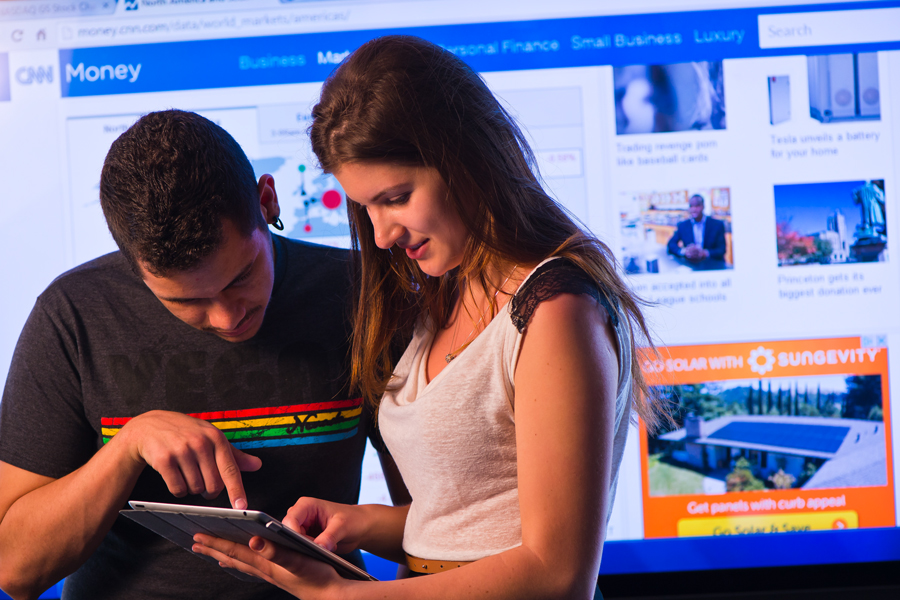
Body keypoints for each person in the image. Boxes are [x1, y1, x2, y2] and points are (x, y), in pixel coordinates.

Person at [193, 36, 669, 599]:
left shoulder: (556, 310)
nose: (381, 234)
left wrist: (342, 596)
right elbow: (476, 526)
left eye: (395, 197)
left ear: (463, 158)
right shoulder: (446, 294)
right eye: (365, 206)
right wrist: (364, 522)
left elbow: (555, 572)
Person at [0, 110, 402, 600]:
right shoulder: (73, 315)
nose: (226, 317)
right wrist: (129, 447)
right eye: (186, 302)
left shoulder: (364, 296)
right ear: (133, 268)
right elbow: (14, 569)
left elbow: (437, 525)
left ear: (267, 200)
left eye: (241, 277)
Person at [666, 194, 727, 266]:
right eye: (691, 206)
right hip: (690, 265)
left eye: (697, 206)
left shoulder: (717, 225)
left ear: (703, 207)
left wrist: (705, 253)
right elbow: (671, 244)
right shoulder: (683, 225)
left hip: (712, 265)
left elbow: (722, 249)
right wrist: (684, 251)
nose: (694, 209)